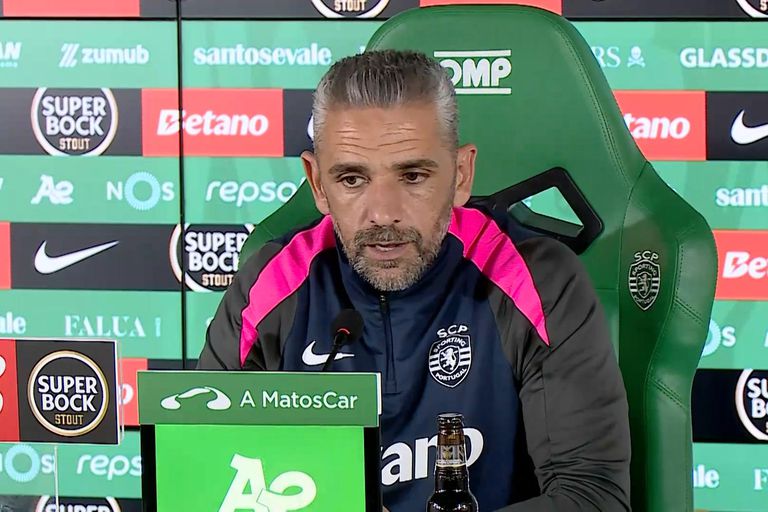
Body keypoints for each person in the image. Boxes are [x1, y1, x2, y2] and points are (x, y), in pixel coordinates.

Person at [197, 49, 631, 511]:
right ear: (318, 184)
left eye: (413, 176)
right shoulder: (268, 286)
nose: (384, 213)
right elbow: (202, 478)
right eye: (352, 180)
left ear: (460, 175)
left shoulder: (536, 279)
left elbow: (593, 497)